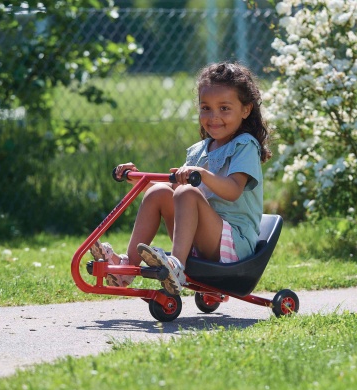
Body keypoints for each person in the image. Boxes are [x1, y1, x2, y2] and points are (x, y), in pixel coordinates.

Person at [90, 61, 272, 295]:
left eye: (224, 108)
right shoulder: (199, 150)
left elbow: (234, 189)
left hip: (233, 246)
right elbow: (172, 191)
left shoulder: (245, 146)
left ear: (245, 110)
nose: (214, 117)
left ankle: (176, 266)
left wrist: (203, 176)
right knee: (159, 192)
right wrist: (138, 180)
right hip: (201, 240)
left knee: (187, 192)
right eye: (206, 108)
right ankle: (127, 267)